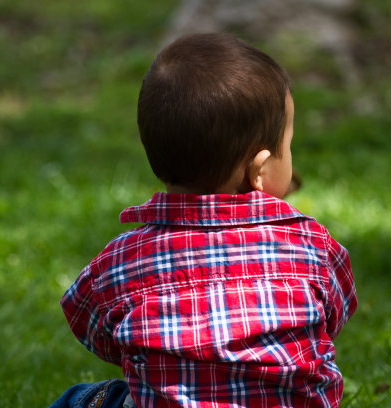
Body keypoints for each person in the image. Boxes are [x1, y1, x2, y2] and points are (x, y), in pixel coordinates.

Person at [53, 32, 357, 408]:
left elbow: (93, 330)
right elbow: (335, 315)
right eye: (288, 145)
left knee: (86, 399)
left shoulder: (120, 262)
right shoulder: (312, 245)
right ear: (259, 170)